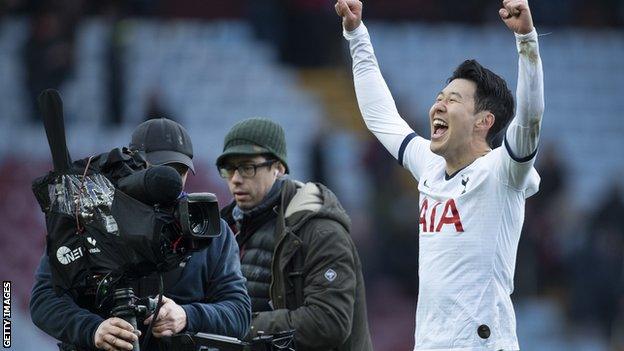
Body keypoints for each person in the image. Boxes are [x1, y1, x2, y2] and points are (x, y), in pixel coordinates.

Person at [336, 0, 544, 350]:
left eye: (454, 100)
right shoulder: (430, 167)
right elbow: (379, 115)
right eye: (439, 97)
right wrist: (356, 34)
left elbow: (530, 119)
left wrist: (527, 40)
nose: (438, 106)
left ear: (483, 122)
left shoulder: (500, 173)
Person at [30, 117, 251, 351]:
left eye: (180, 171)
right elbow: (44, 300)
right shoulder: (91, 219)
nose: (171, 181)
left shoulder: (208, 228)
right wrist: (92, 329)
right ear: (132, 165)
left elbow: (239, 313)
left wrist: (187, 316)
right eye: (160, 169)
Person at [216, 117, 373, 351]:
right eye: (229, 169)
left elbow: (329, 322)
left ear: (278, 168)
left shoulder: (320, 231)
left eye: (248, 167)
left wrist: (238, 326)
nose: (236, 179)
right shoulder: (224, 229)